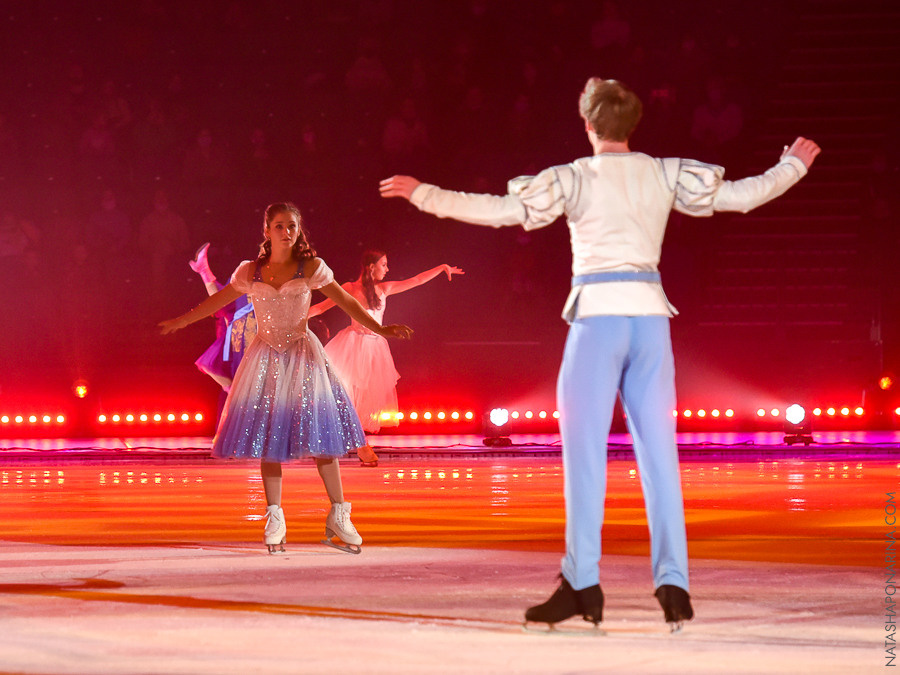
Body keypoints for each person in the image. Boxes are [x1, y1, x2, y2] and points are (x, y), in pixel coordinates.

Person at [380, 77, 820, 630]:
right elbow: (742, 196)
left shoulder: (575, 176)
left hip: (598, 320)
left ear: (588, 124)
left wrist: (423, 193)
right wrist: (792, 166)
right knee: (660, 457)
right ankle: (674, 586)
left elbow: (498, 210)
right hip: (650, 322)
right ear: (632, 124)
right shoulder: (663, 172)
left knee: (584, 456)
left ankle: (582, 583)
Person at [160, 202, 412, 554]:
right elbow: (218, 301)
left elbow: (347, 302)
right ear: (267, 230)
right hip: (265, 357)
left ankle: (339, 513)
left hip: (304, 354)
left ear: (298, 230)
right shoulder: (250, 271)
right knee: (270, 438)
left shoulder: (311, 267)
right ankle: (275, 516)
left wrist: (380, 328)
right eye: (279, 226)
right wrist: (181, 321)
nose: (286, 232)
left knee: (322, 436)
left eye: (292, 226)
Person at [308, 250, 463, 466]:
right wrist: (293, 317)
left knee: (362, 402)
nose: (387, 269)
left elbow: (416, 280)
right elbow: (321, 307)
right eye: (384, 264)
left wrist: (441, 268)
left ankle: (350, 443)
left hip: (374, 350)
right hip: (351, 346)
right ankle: (351, 444)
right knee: (343, 396)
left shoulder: (384, 289)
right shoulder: (349, 288)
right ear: (371, 267)